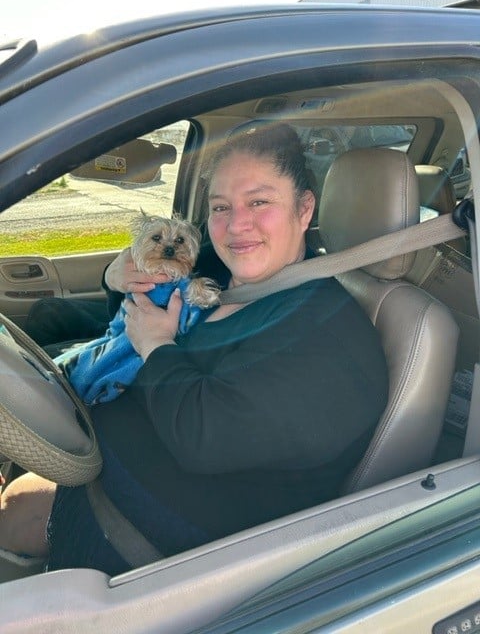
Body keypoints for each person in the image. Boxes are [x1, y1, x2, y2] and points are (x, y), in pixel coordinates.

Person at [0, 123, 389, 575]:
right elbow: (140, 314)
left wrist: (157, 346)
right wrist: (117, 281)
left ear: (305, 209)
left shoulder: (330, 333)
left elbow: (205, 438)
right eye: (221, 207)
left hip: (179, 541)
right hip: (112, 457)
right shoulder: (221, 273)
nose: (237, 224)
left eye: (259, 202)